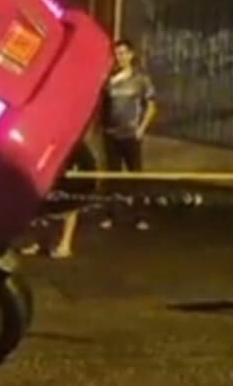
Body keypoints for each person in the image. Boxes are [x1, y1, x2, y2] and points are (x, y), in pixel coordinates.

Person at [99, 39, 158, 231]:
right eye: (117, 54)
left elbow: (151, 105)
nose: (120, 57)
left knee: (136, 176)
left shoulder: (140, 78)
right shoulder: (109, 78)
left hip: (131, 134)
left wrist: (141, 128)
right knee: (112, 177)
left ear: (131, 54)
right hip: (111, 134)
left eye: (123, 53)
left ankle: (141, 215)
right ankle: (112, 214)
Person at [21, 139, 97, 259]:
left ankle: (65, 245)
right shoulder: (47, 144)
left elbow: (89, 167)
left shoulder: (77, 146)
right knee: (39, 210)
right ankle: (40, 241)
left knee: (71, 208)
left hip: (72, 183)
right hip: (51, 181)